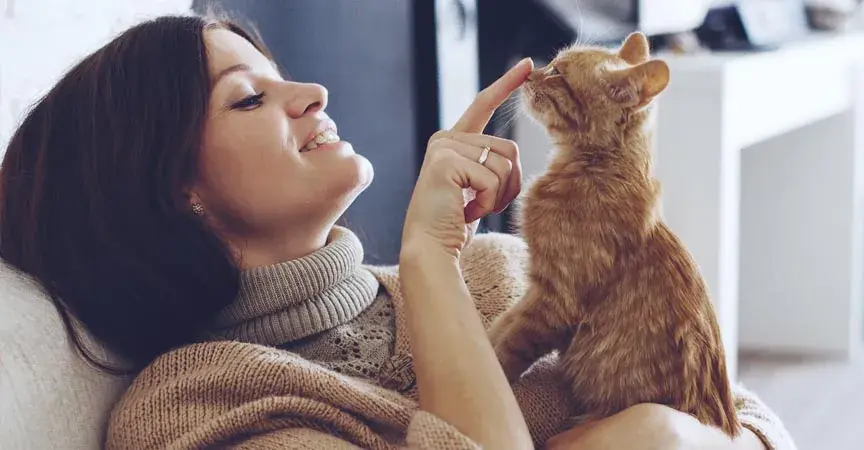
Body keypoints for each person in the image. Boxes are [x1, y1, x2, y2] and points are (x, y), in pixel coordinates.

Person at [0, 13, 795, 450]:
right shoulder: (197, 403)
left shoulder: (497, 266)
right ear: (178, 194)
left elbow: (748, 421)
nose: (312, 91)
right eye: (249, 99)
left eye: (286, 79)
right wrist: (424, 257)